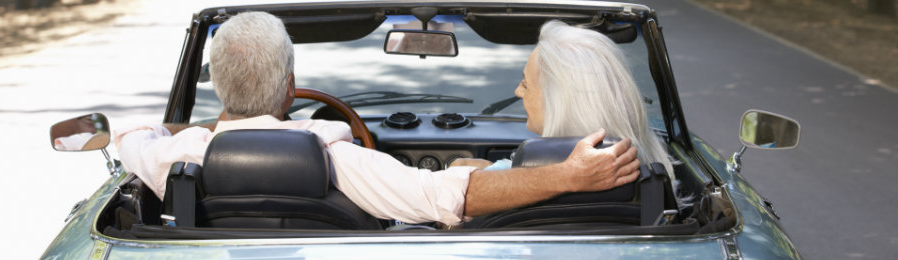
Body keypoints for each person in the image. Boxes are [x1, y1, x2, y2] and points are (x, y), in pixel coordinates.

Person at [114, 12, 640, 226]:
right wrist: (570, 175)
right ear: (292, 88)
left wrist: (214, 126)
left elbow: (133, 133)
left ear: (219, 86)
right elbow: (441, 198)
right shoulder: (338, 160)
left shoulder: (167, 157)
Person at [452, 20, 676, 183]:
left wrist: (480, 178)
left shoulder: (509, 182)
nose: (518, 91)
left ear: (559, 102)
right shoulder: (653, 175)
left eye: (526, 84)